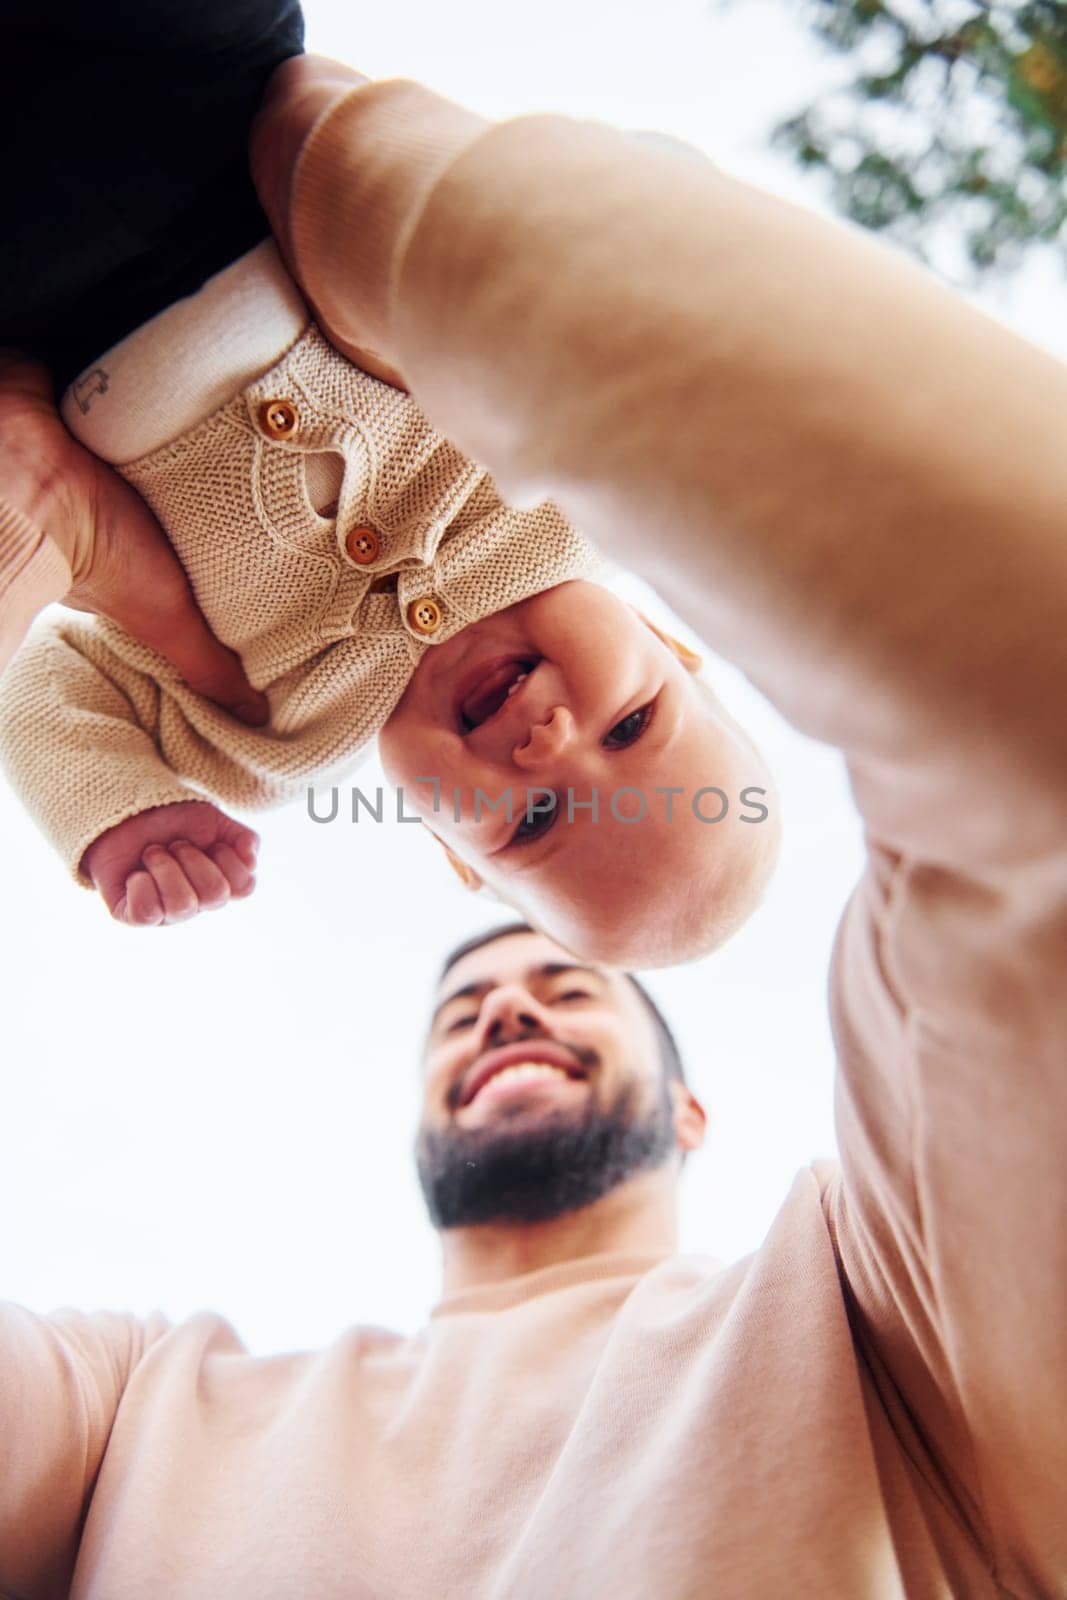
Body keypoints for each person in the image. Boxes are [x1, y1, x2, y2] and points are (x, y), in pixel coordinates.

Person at [0, 234, 776, 958]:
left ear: (446, 842)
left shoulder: (273, 747)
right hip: (229, 201)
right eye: (630, 726)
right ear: (661, 636)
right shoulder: (584, 500)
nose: (550, 743)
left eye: (536, 818)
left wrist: (121, 809)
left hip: (45, 322)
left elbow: (48, 686)